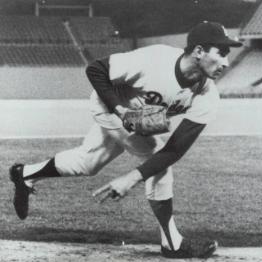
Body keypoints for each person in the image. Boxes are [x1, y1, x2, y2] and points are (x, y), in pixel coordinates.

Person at [9, 21, 242, 258]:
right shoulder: (155, 59)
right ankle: (173, 244)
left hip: (135, 117)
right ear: (199, 51)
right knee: (157, 163)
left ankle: (24, 173)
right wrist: (120, 110)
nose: (226, 62)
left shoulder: (207, 95)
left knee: (88, 163)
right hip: (108, 106)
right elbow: (96, 69)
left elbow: (176, 149)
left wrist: (131, 176)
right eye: (221, 53)